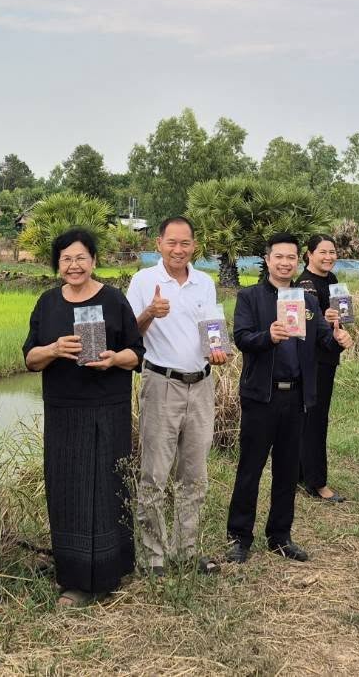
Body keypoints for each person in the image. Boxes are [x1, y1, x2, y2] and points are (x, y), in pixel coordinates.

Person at [23, 228, 144, 605]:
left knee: (108, 488)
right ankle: (74, 579)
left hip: (108, 408)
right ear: (57, 264)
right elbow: (30, 359)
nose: (73, 266)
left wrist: (113, 359)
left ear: (93, 261)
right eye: (65, 259)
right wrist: (54, 348)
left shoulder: (113, 300)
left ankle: (111, 572)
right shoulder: (47, 304)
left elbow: (136, 353)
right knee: (68, 489)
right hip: (64, 410)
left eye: (80, 258)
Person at [226, 233, 352, 563]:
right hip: (261, 397)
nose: (285, 262)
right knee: (250, 468)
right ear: (267, 260)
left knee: (285, 470)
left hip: (296, 397)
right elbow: (241, 338)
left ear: (298, 260)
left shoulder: (307, 302)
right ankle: (239, 537)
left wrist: (339, 338)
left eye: (290, 257)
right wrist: (267, 336)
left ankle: (280, 535)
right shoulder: (250, 297)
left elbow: (324, 341)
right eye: (278, 256)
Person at [127, 216, 226, 576]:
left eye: (185, 243)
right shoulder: (144, 281)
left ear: (194, 246)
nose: (178, 250)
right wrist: (151, 313)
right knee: (154, 473)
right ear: (159, 244)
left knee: (194, 474)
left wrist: (218, 350)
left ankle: (186, 551)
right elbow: (128, 332)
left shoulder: (205, 283)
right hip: (161, 384)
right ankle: (153, 557)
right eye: (172, 242)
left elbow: (212, 330)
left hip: (201, 385)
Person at [297, 233, 346, 503]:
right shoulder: (306, 284)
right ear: (309, 254)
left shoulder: (331, 280)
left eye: (332, 252)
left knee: (308, 416)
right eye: (322, 252)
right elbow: (304, 323)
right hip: (312, 358)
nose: (328, 257)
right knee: (316, 419)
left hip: (327, 355)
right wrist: (324, 318)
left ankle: (301, 474)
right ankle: (317, 483)